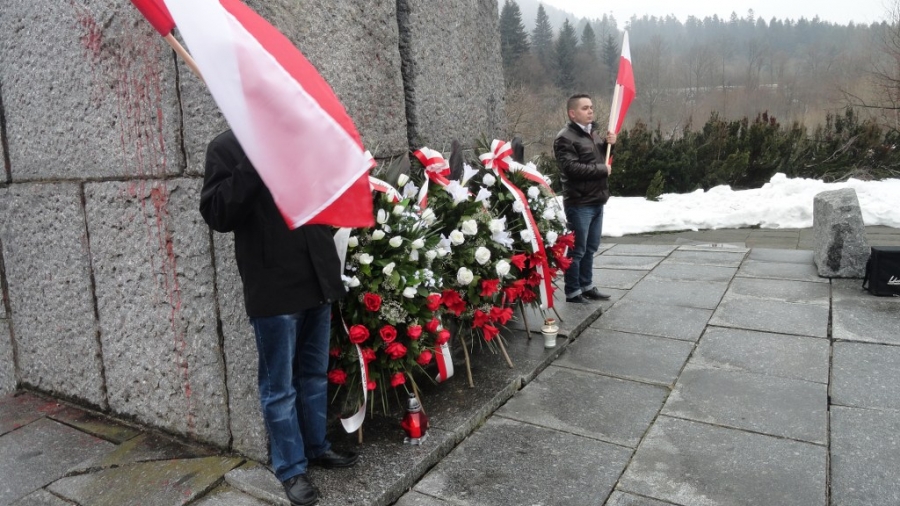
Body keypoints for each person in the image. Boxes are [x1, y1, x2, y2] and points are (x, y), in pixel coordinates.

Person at [200, 129, 358, 506]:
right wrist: (256, 157)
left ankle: (316, 446)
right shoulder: (227, 147)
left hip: (317, 276)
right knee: (279, 388)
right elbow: (218, 213)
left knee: (314, 375)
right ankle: (290, 468)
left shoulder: (298, 136)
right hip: (274, 288)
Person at [553, 94, 616, 304]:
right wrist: (602, 169)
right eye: (585, 108)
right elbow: (571, 169)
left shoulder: (592, 134)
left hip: (597, 199)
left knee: (590, 248)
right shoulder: (565, 138)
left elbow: (601, 159)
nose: (590, 111)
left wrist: (611, 145)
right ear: (572, 113)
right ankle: (573, 291)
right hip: (579, 203)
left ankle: (586, 286)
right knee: (577, 250)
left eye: (591, 107)